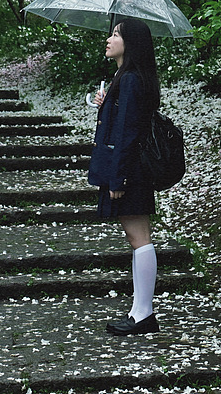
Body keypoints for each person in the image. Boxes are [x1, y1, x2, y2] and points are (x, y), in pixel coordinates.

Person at [88, 18, 160, 336]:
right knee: (137, 238)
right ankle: (139, 310)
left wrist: (118, 179)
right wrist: (107, 104)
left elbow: (128, 132)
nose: (109, 39)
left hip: (130, 170)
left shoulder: (130, 78)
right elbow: (124, 119)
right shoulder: (126, 77)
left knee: (138, 237)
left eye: (116, 35)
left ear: (129, 43)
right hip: (132, 169)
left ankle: (143, 314)